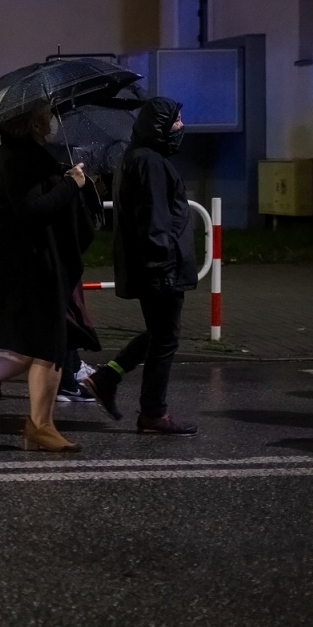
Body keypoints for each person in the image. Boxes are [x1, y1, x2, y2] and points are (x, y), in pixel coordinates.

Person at [0, 104, 97, 452]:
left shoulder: (22, 154)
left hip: (26, 263)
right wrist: (71, 184)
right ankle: (39, 426)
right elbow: (32, 209)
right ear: (34, 123)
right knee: (50, 346)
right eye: (47, 115)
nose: (53, 121)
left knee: (25, 347)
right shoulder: (18, 158)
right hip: (29, 266)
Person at [89, 97, 199, 435]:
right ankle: (152, 413)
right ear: (160, 125)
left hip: (155, 265)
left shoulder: (141, 157)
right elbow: (155, 221)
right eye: (177, 121)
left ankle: (106, 377)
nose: (181, 127)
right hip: (160, 267)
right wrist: (164, 267)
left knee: (161, 334)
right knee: (165, 338)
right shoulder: (149, 162)